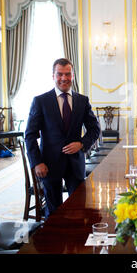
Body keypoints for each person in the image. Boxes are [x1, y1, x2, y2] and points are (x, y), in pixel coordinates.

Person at [25, 58, 100, 217]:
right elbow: (30, 136)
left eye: (67, 74)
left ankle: (75, 240)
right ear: (53, 76)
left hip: (75, 163)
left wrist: (81, 143)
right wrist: (37, 162)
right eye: (60, 74)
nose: (64, 78)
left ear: (72, 76)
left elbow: (95, 129)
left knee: (79, 208)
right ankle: (55, 241)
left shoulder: (82, 101)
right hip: (49, 165)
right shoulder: (40, 101)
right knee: (53, 211)